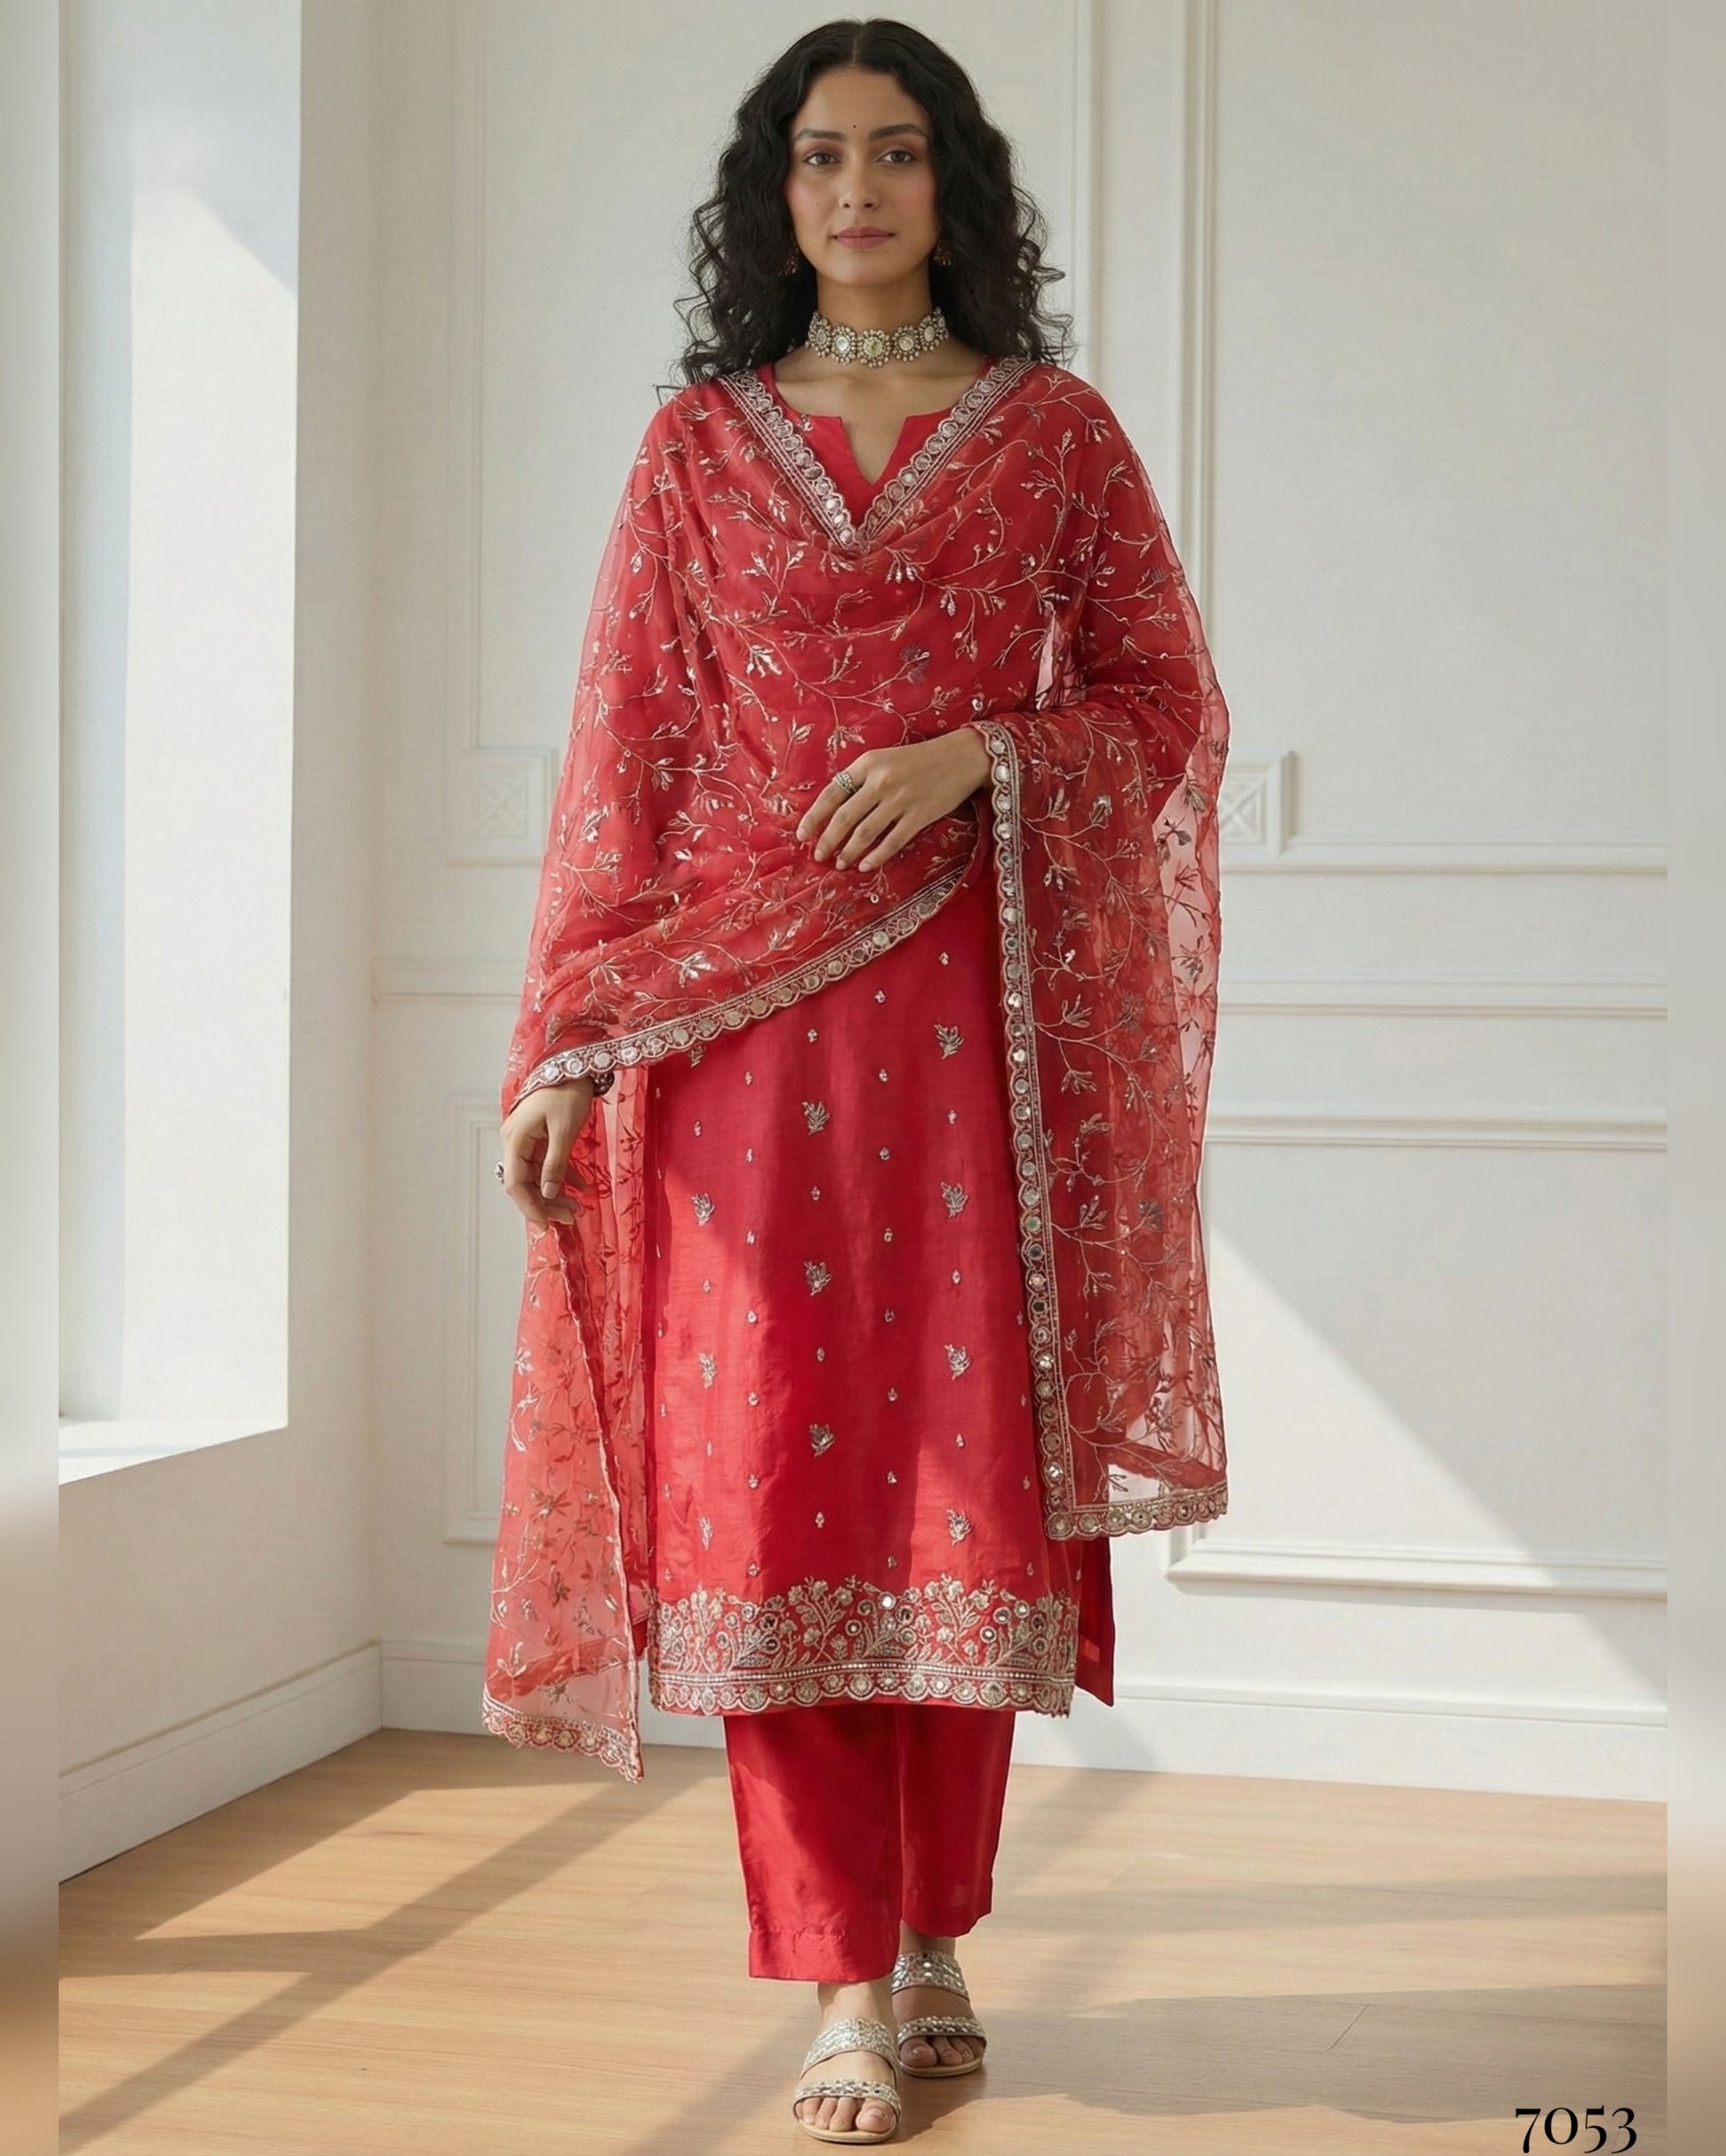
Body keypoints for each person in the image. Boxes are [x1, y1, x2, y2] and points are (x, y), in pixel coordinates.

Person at [486, 17, 1229, 2145]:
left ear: (955, 187)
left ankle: (931, 1934)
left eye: (898, 155)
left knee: (949, 1503)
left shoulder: (1058, 438)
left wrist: (980, 755)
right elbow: (620, 758)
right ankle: (830, 1980)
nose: (858, 193)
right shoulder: (694, 453)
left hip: (972, 1037)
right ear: (771, 191)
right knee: (770, 1504)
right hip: (727, 1046)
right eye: (819, 158)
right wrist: (564, 1039)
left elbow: (1164, 702)